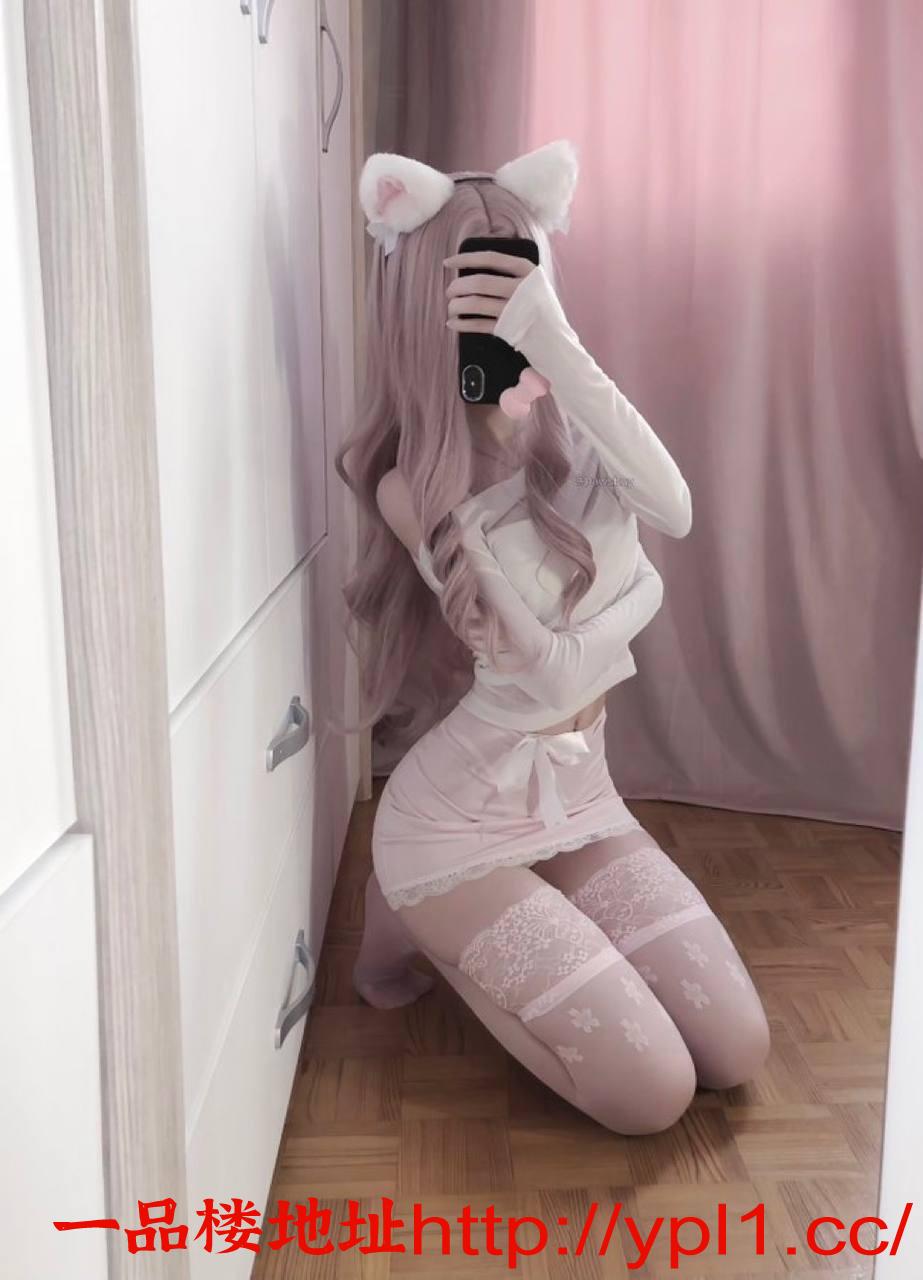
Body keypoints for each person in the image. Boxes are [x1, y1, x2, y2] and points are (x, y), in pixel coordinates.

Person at [335, 140, 770, 1135]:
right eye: (476, 288)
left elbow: (674, 510)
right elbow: (557, 672)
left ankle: (498, 919)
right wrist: (640, 598)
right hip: (452, 826)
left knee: (736, 1050)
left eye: (520, 278)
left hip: (577, 795)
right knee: (648, 1095)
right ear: (427, 308)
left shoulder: (575, 430)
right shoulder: (418, 486)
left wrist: (556, 343)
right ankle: (423, 914)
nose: (501, 311)